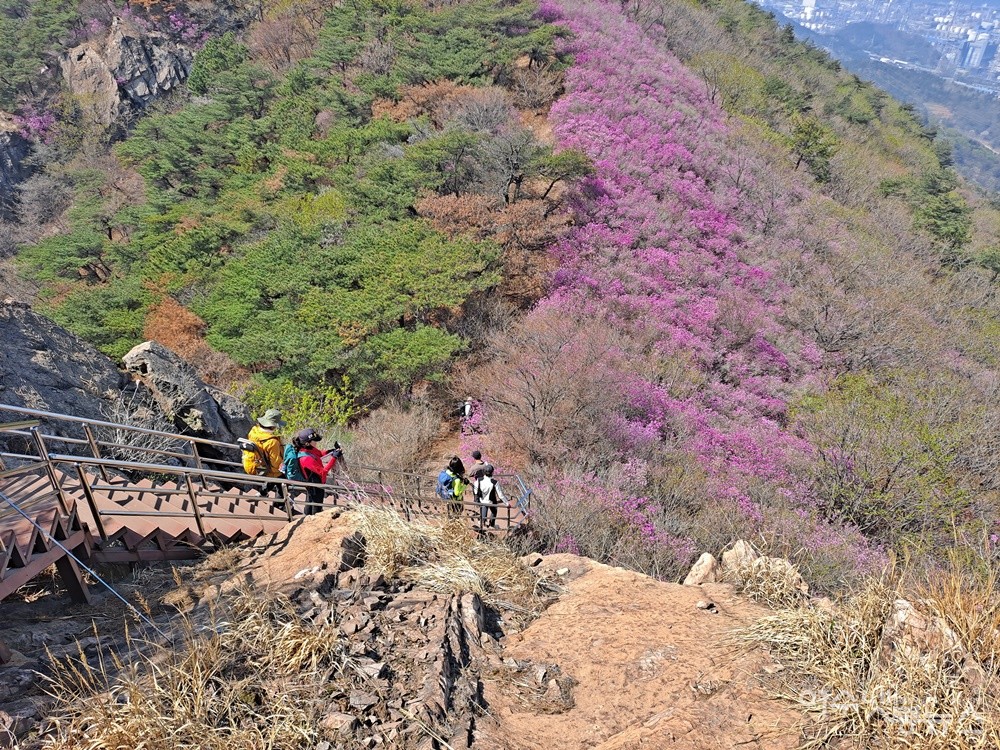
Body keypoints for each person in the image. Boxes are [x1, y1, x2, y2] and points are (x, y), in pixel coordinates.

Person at [292, 428, 341, 516]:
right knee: (316, 505)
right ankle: (313, 521)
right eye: (314, 441)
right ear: (307, 443)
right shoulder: (306, 458)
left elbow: (319, 453)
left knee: (310, 500)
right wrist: (334, 458)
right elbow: (323, 472)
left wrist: (331, 451)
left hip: (313, 482)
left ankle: (307, 518)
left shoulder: (307, 449)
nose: (316, 442)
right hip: (314, 484)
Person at [242, 409, 285, 496]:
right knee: (282, 480)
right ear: (273, 426)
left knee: (275, 475)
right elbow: (276, 464)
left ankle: (263, 492)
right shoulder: (272, 442)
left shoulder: (254, 431)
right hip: (266, 469)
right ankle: (280, 505)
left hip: (256, 465)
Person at [476, 464, 509, 529]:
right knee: (494, 511)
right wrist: (507, 503)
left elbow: (476, 490)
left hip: (482, 500)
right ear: (492, 472)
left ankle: (482, 522)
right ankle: (492, 524)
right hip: (492, 502)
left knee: (484, 507)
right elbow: (500, 495)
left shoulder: (479, 480)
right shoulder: (495, 482)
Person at [436, 456, 467, 520]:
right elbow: (456, 493)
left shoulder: (446, 472)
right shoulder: (456, 480)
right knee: (456, 514)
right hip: (455, 500)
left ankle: (449, 521)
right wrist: (465, 485)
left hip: (446, 495)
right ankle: (454, 524)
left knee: (449, 512)